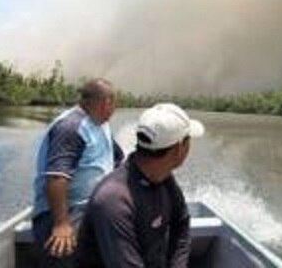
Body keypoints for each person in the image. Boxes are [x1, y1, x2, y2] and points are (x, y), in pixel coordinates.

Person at [76, 103, 205, 268]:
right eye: (189, 140)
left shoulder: (164, 178)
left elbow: (181, 223)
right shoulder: (113, 201)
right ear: (179, 148)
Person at [31, 79, 122, 267]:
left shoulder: (100, 124)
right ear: (106, 103)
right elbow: (57, 177)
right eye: (114, 103)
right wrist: (62, 224)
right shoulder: (72, 127)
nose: (114, 109)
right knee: (65, 254)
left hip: (89, 209)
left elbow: (118, 159)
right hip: (64, 212)